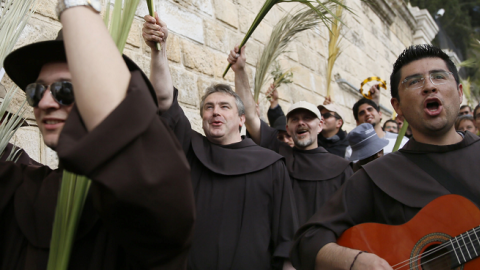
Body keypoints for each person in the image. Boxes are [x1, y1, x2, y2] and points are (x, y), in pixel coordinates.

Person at [1, 3, 196, 269]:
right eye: (36, 91)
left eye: (65, 89)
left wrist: (76, 8)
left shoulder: (144, 206)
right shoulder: (18, 187)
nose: (45, 103)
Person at [291, 44, 480, 270]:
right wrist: (355, 261)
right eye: (414, 81)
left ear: (459, 93)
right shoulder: (378, 175)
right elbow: (308, 240)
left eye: (439, 77)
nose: (429, 86)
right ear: (396, 106)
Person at [143, 14, 298, 270]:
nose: (215, 112)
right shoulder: (190, 148)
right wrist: (157, 49)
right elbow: (163, 99)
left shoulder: (271, 164)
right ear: (202, 116)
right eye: (208, 107)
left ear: (240, 119)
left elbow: (286, 239)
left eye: (224, 106)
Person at [227, 45, 353, 228]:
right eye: (295, 119)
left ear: (320, 126)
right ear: (288, 127)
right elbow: (250, 115)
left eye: (308, 118)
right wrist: (240, 70)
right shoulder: (278, 152)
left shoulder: (342, 169)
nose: (301, 122)